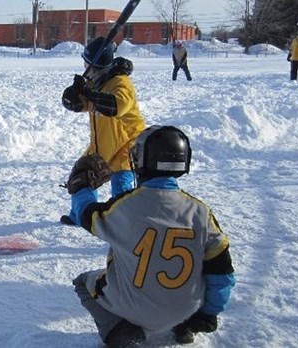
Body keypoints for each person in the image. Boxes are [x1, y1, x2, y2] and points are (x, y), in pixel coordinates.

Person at [64, 125, 235, 347]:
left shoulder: (126, 205)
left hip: (136, 311)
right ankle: (182, 326)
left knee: (83, 282)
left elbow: (88, 215)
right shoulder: (201, 212)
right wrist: (207, 313)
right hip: (186, 310)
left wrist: (81, 190)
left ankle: (119, 331)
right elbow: (222, 275)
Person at [60, 36, 146, 226]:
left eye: (86, 63)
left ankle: (127, 226)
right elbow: (82, 103)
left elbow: (117, 106)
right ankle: (80, 214)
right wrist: (74, 96)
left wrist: (90, 93)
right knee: (80, 177)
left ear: (95, 66)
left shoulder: (121, 83)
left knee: (121, 186)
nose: (84, 67)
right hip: (102, 145)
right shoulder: (96, 81)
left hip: (126, 146)